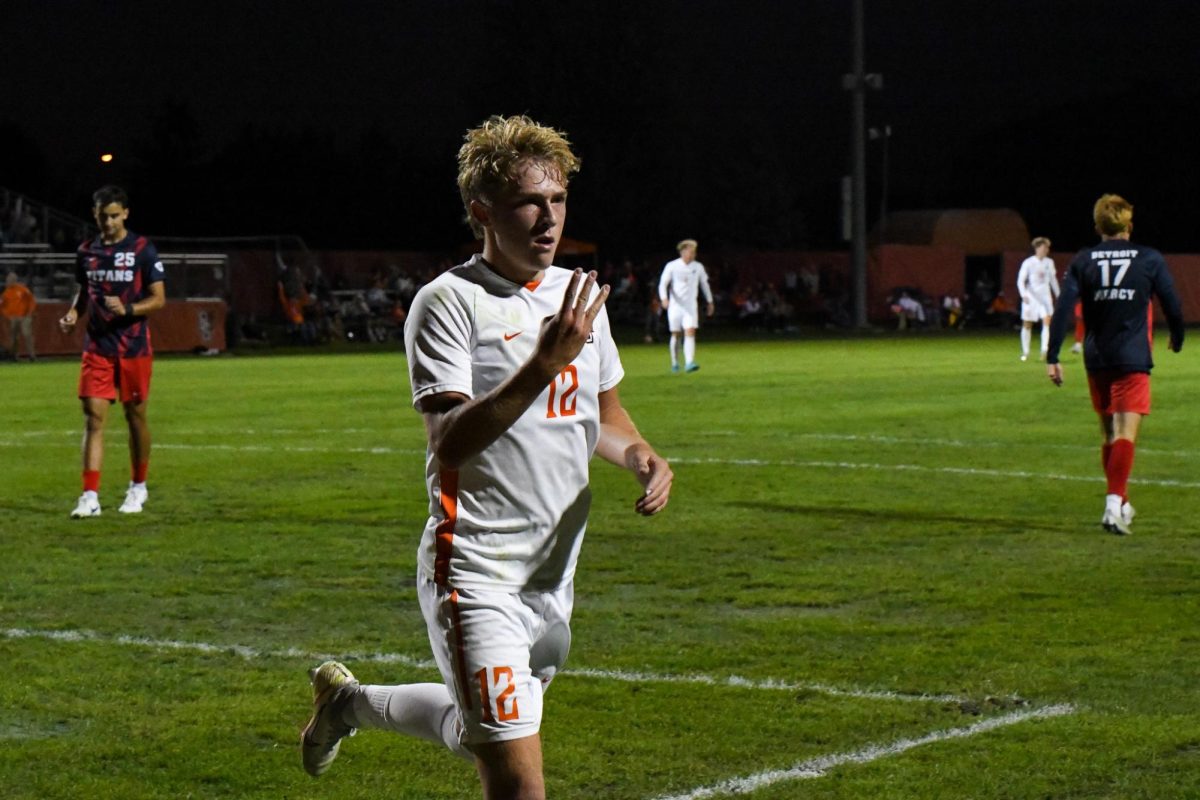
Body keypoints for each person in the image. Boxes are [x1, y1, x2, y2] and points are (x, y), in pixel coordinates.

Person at [299, 115, 674, 800]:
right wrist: (539, 364)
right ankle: (349, 707)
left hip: (552, 575)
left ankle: (348, 705)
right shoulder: (448, 303)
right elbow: (449, 439)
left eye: (558, 200)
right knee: (516, 780)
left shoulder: (576, 297)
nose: (548, 218)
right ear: (482, 212)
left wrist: (644, 456)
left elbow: (603, 418)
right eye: (530, 202)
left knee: (483, 734)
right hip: (474, 567)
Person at [1046, 194, 1184, 535]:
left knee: (1109, 433)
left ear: (1098, 227)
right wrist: (1177, 337)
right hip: (1133, 357)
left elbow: (1064, 308)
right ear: (1129, 225)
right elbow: (1172, 303)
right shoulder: (1149, 258)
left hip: (1097, 358)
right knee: (1125, 434)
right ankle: (1112, 506)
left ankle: (1122, 502)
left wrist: (1053, 356)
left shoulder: (1082, 260)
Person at [59, 185, 166, 517]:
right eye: (103, 216)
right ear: (95, 214)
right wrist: (74, 314)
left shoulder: (142, 249)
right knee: (93, 418)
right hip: (97, 347)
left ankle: (138, 487)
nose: (108, 222)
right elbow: (84, 291)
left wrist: (128, 310)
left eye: (115, 216)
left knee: (135, 416)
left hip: (133, 346)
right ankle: (89, 496)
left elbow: (159, 299)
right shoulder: (86, 251)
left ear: (126, 214)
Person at [657, 238, 714, 373]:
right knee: (676, 334)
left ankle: (689, 362)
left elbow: (704, 285)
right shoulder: (672, 266)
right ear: (682, 252)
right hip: (675, 307)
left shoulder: (698, 267)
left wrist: (710, 301)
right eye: (690, 251)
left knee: (690, 331)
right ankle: (675, 362)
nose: (693, 254)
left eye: (694, 252)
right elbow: (663, 283)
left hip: (690, 307)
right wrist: (664, 298)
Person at [1017, 236, 1060, 361]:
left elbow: (1053, 280)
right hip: (1031, 298)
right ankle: (1025, 352)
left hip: (1045, 298)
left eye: (1047, 247)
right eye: (1044, 247)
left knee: (1047, 322)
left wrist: (1059, 295)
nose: (1047, 250)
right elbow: (1020, 281)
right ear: (1037, 248)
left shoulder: (1049, 262)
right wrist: (1023, 294)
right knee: (1027, 324)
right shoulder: (1028, 262)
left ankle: (1044, 350)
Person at [1, 271, 37, 361]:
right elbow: (2, 306)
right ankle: (14, 356)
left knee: (27, 334)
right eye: (8, 279)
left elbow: (31, 300)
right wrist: (8, 315)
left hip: (24, 316)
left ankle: (32, 355)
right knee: (14, 337)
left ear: (15, 280)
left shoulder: (23, 289)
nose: (9, 281)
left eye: (11, 279)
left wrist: (29, 313)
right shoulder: (5, 293)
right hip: (13, 317)